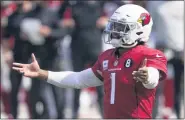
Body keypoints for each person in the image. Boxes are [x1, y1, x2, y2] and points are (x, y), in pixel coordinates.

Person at [12, 4, 167, 119]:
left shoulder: (150, 55)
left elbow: (152, 79)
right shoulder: (107, 56)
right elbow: (78, 79)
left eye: (121, 27)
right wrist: (42, 74)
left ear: (139, 29)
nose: (114, 31)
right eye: (114, 26)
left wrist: (148, 76)